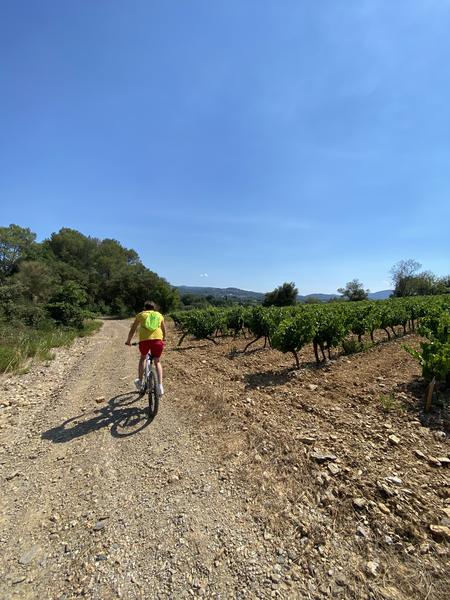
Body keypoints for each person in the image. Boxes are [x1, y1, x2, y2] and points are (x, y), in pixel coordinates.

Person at [125, 300, 166, 394]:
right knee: (157, 361)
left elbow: (133, 329)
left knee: (143, 358)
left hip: (144, 341)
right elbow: (164, 329)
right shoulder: (159, 315)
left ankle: (139, 380)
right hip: (157, 341)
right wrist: (164, 338)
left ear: (145, 308)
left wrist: (128, 341)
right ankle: (160, 386)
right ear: (154, 308)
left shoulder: (141, 315)